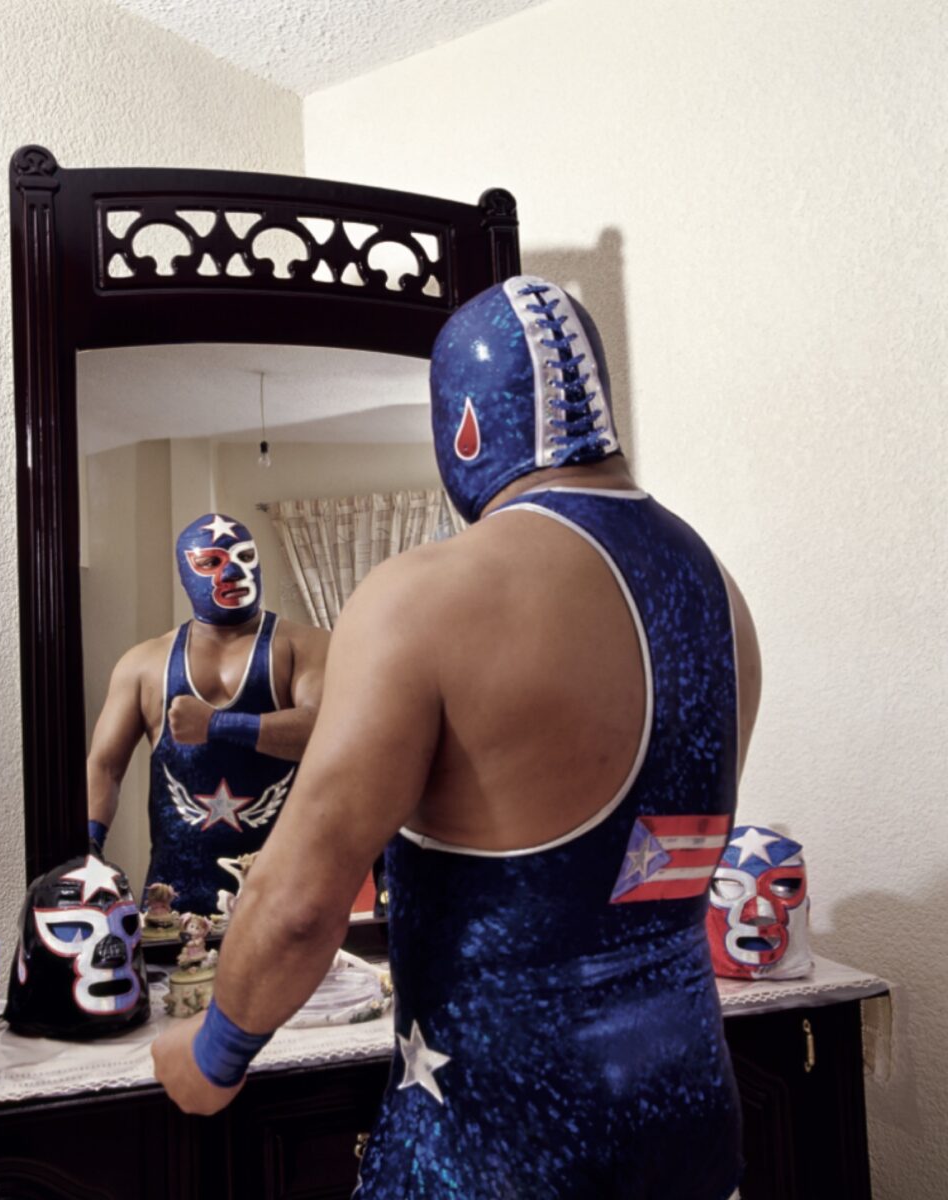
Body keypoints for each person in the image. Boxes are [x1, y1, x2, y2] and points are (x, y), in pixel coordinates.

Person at [152, 278, 761, 1200]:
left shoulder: (426, 596)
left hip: (493, 1142)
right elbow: (648, 861)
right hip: (690, 1114)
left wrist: (215, 1054)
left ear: (465, 429)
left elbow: (300, 902)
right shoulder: (721, 593)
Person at [87, 512, 329, 914]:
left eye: (245, 556)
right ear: (186, 574)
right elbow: (104, 765)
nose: (233, 571)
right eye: (212, 562)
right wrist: (90, 846)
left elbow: (328, 730)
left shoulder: (305, 645)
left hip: (289, 885)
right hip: (175, 892)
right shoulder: (145, 663)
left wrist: (217, 724)